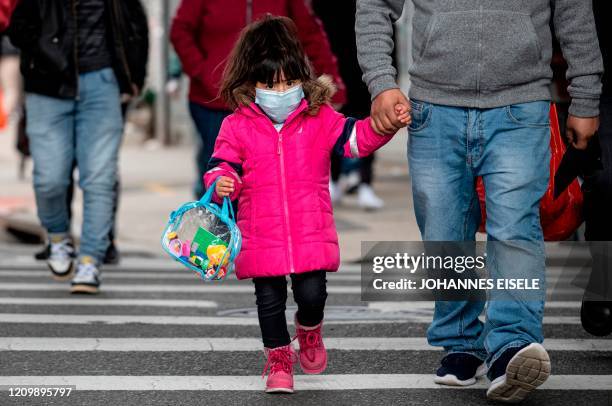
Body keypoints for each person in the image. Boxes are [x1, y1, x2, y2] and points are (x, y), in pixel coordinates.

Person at [356, 0, 602, 403]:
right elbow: (373, 5)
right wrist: (381, 81)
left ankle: (512, 346)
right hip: (434, 107)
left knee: (516, 228)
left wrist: (586, 98)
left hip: (522, 105)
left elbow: (574, 9)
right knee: (444, 229)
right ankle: (460, 342)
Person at [204, 16, 407, 393]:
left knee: (312, 296)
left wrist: (385, 126)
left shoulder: (320, 118)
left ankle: (309, 329)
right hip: (260, 231)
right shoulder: (237, 125)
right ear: (252, 83)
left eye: (288, 81)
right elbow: (220, 165)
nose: (280, 90)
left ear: (303, 78)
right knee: (268, 300)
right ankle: (279, 359)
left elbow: (355, 141)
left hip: (310, 229)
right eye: (269, 83)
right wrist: (221, 182)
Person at [7, 0, 148, 294]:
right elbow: (18, 26)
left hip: (102, 83)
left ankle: (91, 259)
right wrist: (42, 52)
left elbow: (135, 25)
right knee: (49, 179)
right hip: (47, 83)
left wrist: (134, 77)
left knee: (99, 178)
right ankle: (57, 237)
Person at [170, 0, 346, 198]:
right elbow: (180, 30)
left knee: (263, 179)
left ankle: (258, 224)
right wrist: (205, 74)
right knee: (220, 171)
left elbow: (310, 33)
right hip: (212, 101)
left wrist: (332, 80)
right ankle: (215, 218)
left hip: (268, 102)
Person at [311, 0, 386, 210]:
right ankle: (333, 181)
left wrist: (388, 80)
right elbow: (315, 35)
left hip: (365, 74)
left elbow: (386, 31)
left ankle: (365, 184)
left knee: (370, 126)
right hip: (331, 76)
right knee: (330, 129)